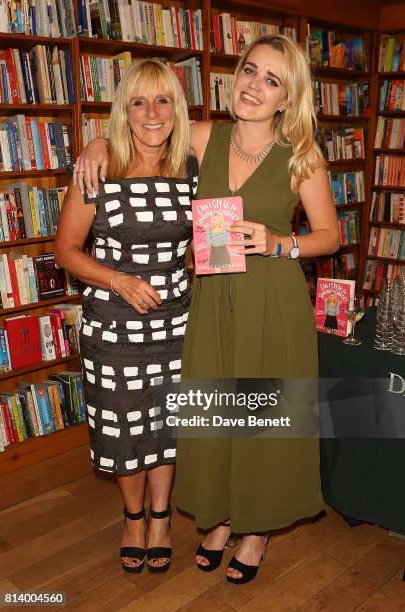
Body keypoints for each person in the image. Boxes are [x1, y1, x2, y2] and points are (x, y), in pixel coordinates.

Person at [73, 35, 340, 585]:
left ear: (288, 98)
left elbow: (330, 236)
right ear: (233, 77)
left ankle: (257, 530)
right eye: (249, 71)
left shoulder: (302, 156)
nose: (254, 85)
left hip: (273, 302)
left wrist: (279, 243)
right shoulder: (202, 138)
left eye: (272, 80)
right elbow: (146, 130)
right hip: (212, 302)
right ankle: (220, 518)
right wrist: (97, 142)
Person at [55, 58, 197, 575]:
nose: (152, 112)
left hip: (178, 324)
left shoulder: (192, 168)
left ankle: (161, 517)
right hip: (112, 326)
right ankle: (132, 517)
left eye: (163, 100)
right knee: (122, 426)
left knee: (166, 425)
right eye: (139, 101)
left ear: (176, 109)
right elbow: (66, 249)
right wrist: (117, 279)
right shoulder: (99, 168)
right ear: (124, 110)